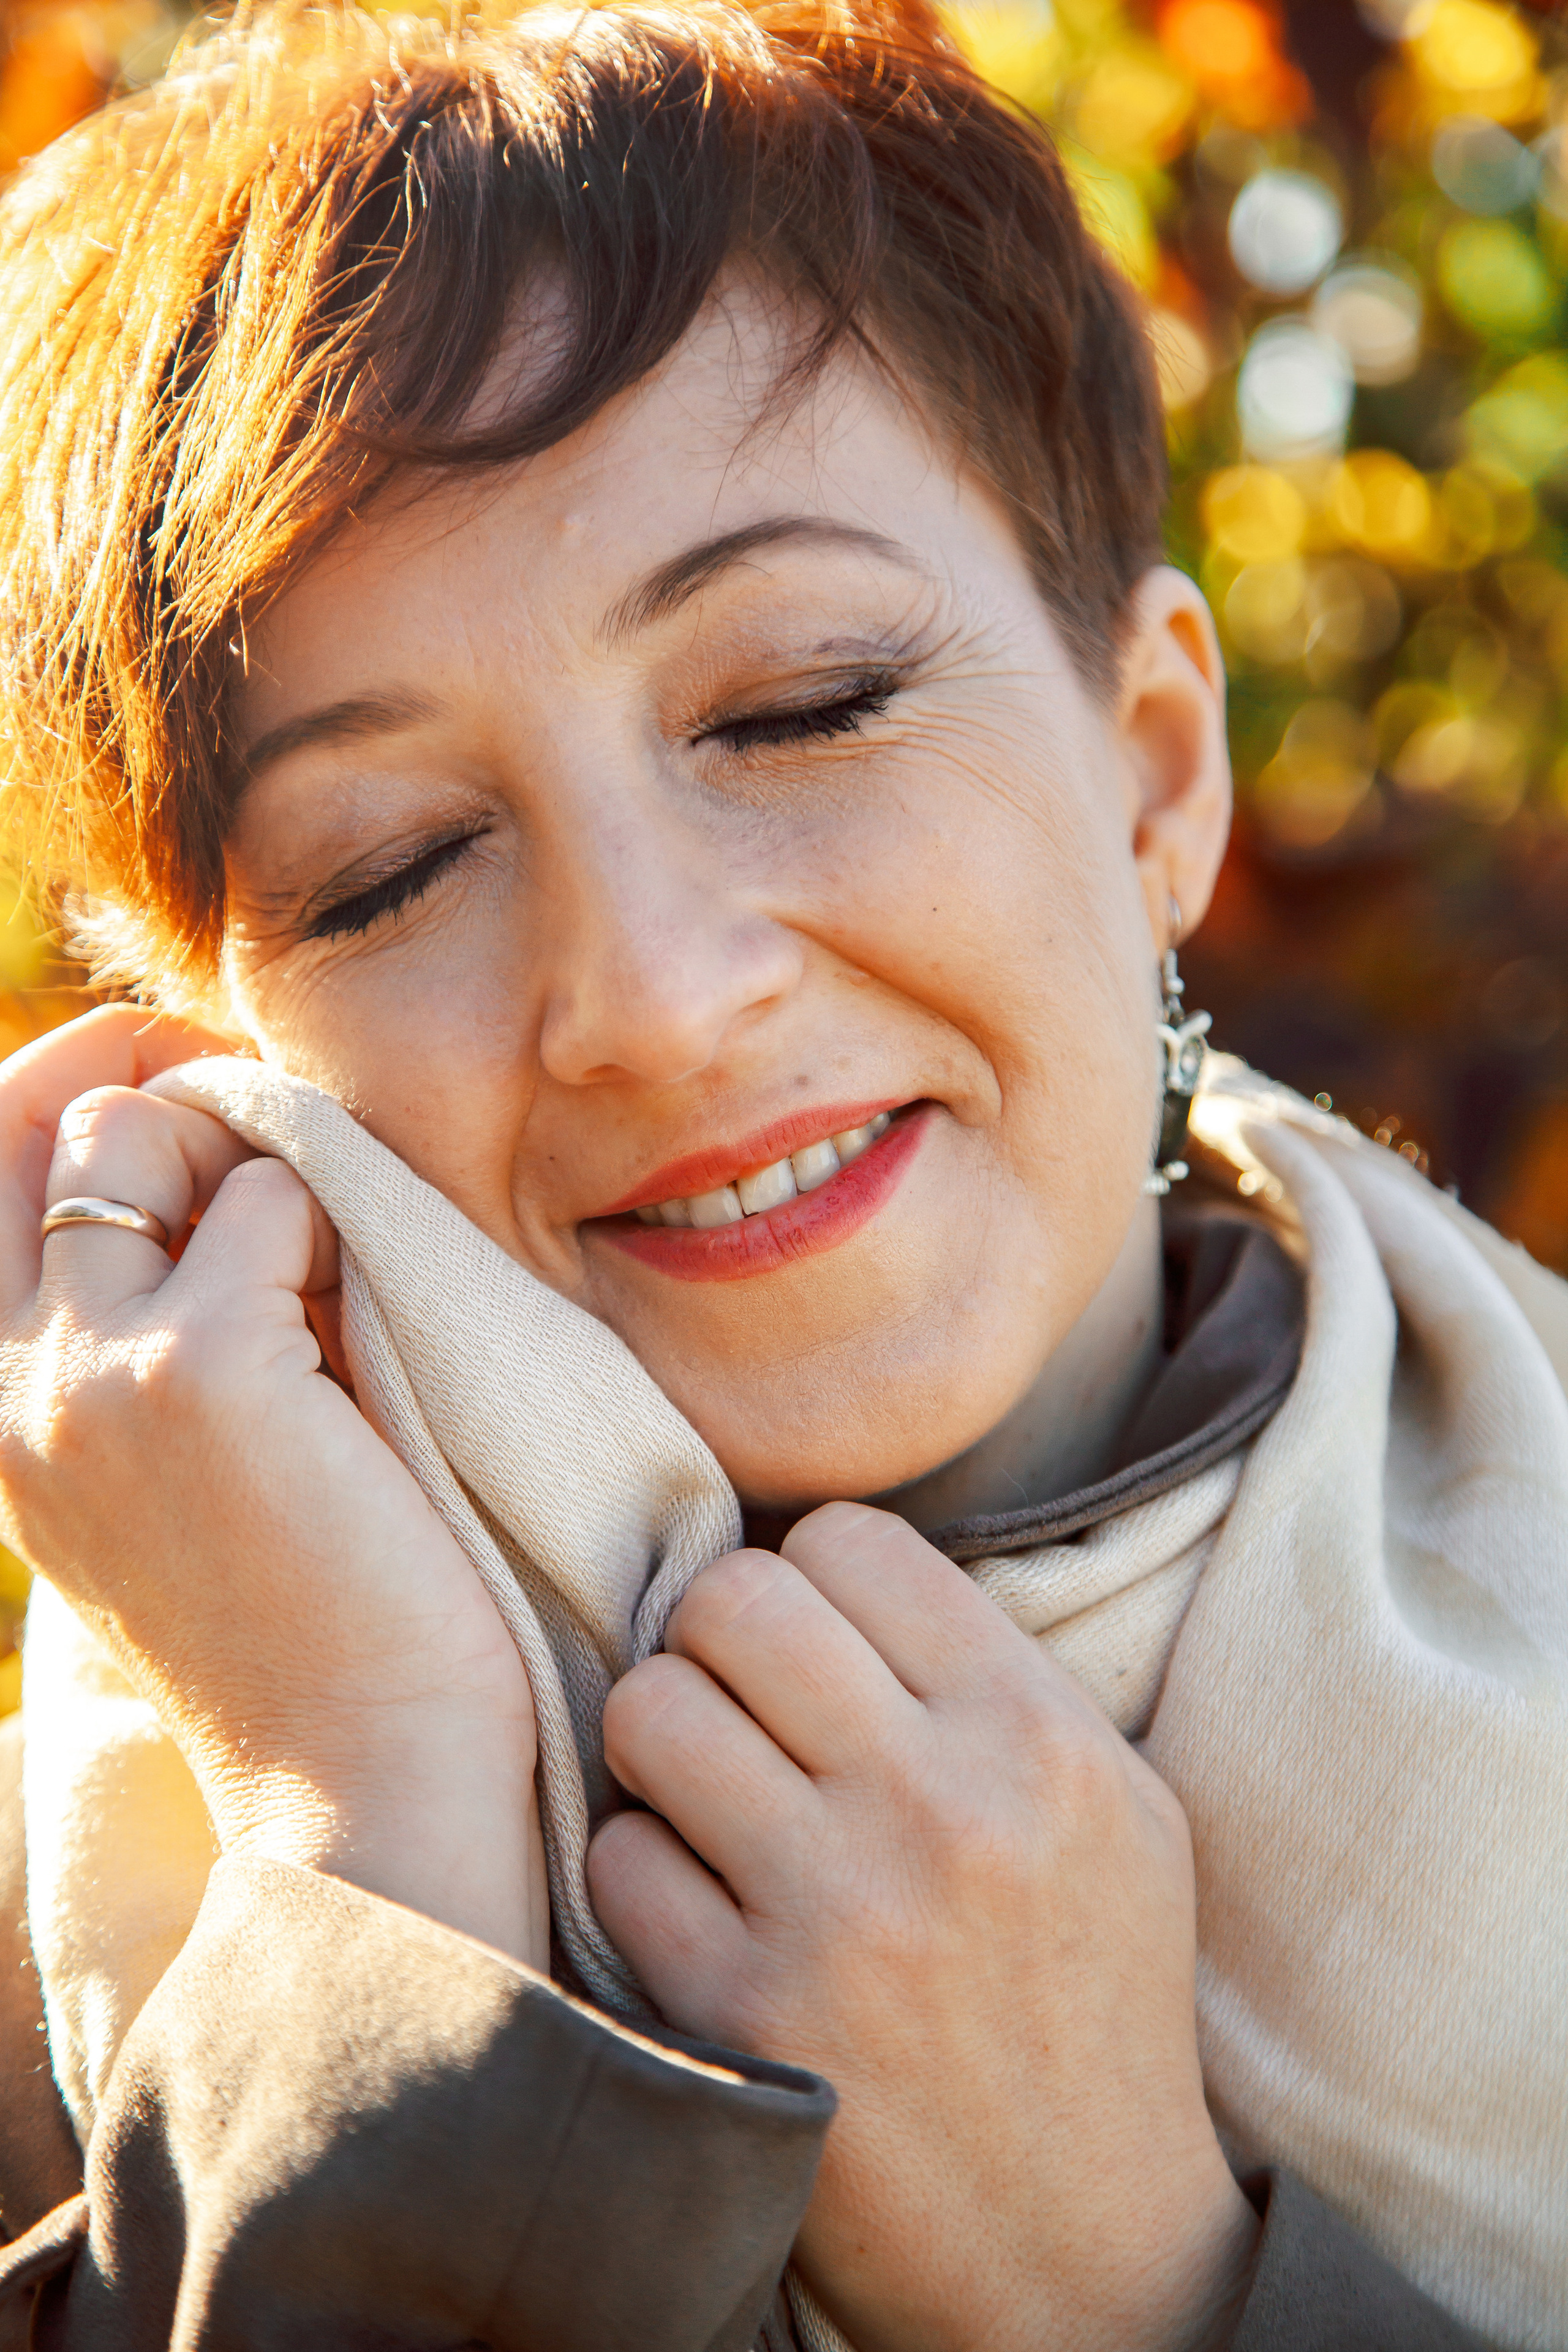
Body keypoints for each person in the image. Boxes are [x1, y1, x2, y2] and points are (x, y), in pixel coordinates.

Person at [0, 2, 1561, 2346]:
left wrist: (1129, 2282)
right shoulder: (85, 1955)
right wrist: (372, 1846)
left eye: (801, 701)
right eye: (397, 863)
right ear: (220, 1060)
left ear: (1151, 776)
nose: (650, 991)